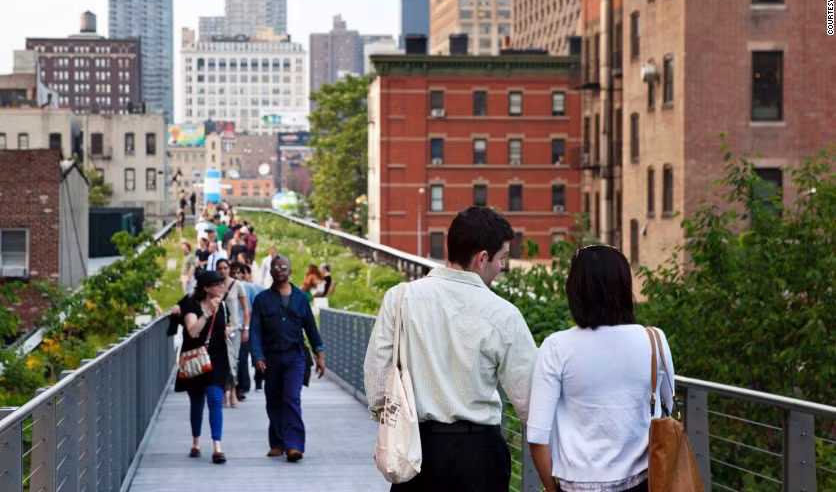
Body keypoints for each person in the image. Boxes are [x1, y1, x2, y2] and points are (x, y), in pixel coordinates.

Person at [363, 205, 538, 492]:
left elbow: (376, 388)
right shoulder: (503, 314)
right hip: (480, 455)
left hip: (417, 451)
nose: (503, 266)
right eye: (502, 257)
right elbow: (530, 401)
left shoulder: (400, 298)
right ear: (482, 258)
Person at [527, 246, 673, 492]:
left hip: (577, 485)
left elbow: (537, 437)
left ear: (575, 290)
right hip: (643, 481)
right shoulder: (653, 340)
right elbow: (666, 406)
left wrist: (551, 489)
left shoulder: (556, 346)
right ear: (624, 288)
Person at [250, 255, 326, 462]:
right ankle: (276, 442)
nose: (279, 270)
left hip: (295, 356)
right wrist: (257, 356)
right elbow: (255, 331)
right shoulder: (262, 300)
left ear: (290, 271)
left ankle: (293, 445)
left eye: (284, 267)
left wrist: (320, 354)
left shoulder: (301, 298)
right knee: (273, 399)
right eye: (275, 267)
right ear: (271, 271)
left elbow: (310, 327)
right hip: (271, 357)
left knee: (292, 398)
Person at [167, 270, 231, 464]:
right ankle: (196, 441)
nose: (222, 287)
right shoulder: (190, 305)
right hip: (195, 359)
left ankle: (217, 446)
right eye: (217, 284)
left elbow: (225, 326)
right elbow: (193, 332)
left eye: (222, 283)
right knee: (197, 402)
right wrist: (207, 313)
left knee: (214, 398)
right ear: (206, 288)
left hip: (218, 359)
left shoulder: (224, 305)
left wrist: (229, 330)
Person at [215, 258, 250, 407]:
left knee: (233, 361)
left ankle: (233, 391)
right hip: (218, 330)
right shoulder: (214, 286)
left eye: (225, 268)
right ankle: (225, 392)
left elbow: (245, 309)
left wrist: (246, 329)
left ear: (229, 269)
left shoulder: (237, 285)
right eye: (220, 268)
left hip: (235, 329)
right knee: (222, 361)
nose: (222, 271)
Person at [233, 262, 267, 395]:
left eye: (238, 272)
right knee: (242, 356)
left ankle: (258, 380)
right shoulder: (229, 287)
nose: (236, 275)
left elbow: (255, 307)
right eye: (233, 272)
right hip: (238, 327)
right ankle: (243, 385)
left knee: (256, 354)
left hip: (251, 327)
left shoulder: (251, 288)